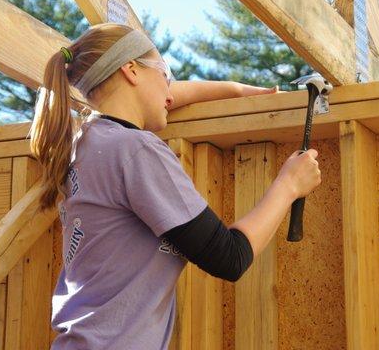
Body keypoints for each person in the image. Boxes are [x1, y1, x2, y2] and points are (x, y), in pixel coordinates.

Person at [29, 23, 321, 349]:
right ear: (130, 70)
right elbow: (229, 257)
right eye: (165, 72)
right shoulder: (135, 150)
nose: (171, 91)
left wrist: (238, 91)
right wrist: (289, 185)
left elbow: (159, 98)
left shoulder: (85, 143)